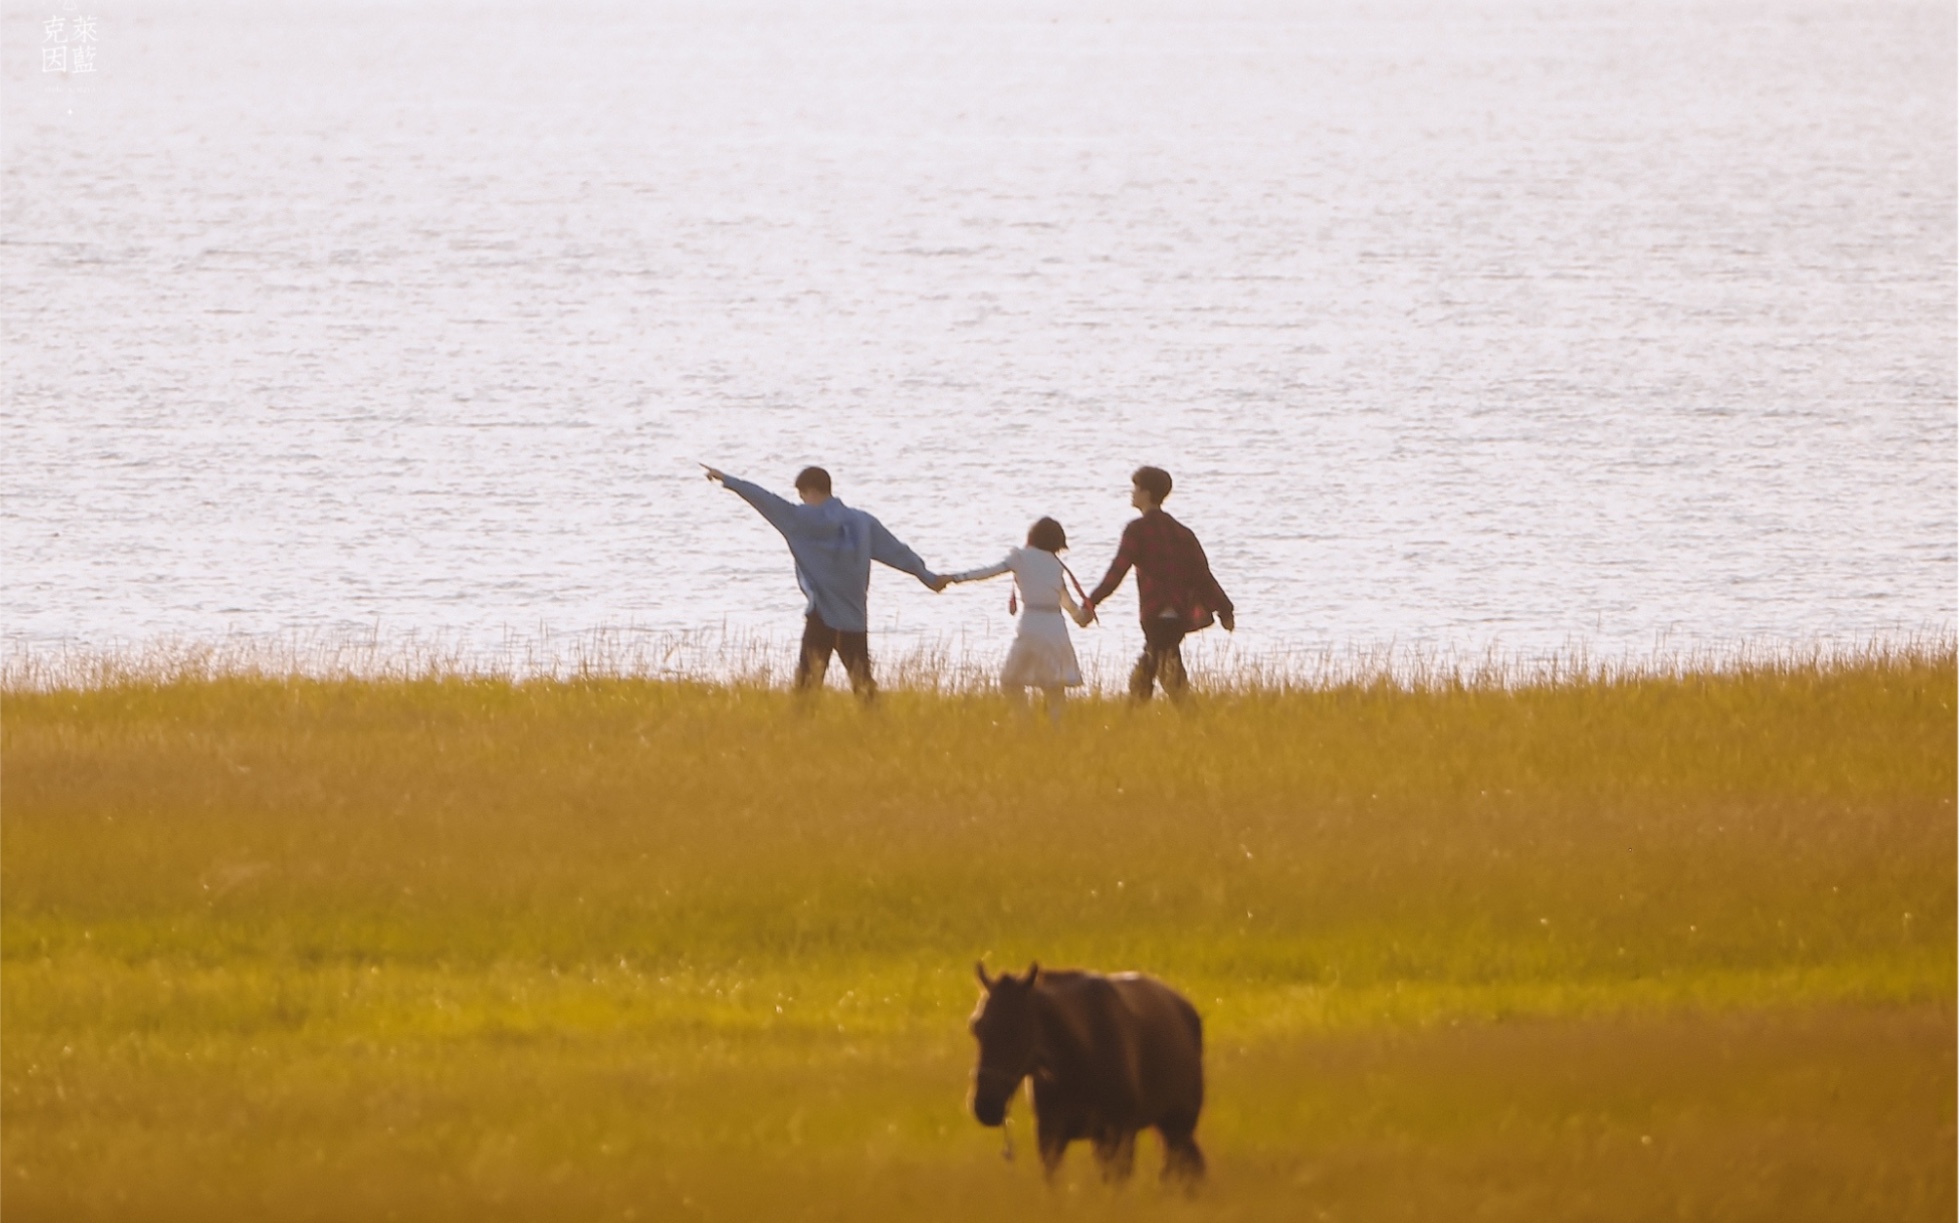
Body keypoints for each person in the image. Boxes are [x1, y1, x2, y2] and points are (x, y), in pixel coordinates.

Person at [703, 464, 946, 703]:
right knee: (864, 689)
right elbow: (899, 553)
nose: (801, 500)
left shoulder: (798, 519)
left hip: (822, 615)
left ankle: (801, 736)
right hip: (854, 616)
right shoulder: (862, 522)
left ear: (807, 491)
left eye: (801, 495)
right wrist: (928, 577)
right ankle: (880, 732)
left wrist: (729, 480)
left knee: (806, 691)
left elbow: (764, 499)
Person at [1080, 466, 1235, 704]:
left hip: (1155, 612)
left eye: (1136, 488)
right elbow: (1203, 576)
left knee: (1158, 674)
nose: (1132, 493)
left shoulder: (1137, 530)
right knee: (1163, 668)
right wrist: (1225, 610)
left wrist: (1091, 603)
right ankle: (1174, 722)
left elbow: (1116, 572)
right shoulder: (1183, 533)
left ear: (1146, 493)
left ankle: (1141, 723)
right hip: (1179, 615)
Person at [945, 517, 1093, 723]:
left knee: (1010, 680)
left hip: (1030, 625)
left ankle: (1025, 722)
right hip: (1056, 628)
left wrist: (955, 578)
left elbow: (988, 572)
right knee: (1055, 689)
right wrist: (1081, 618)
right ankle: (1059, 734)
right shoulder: (1056, 565)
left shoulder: (1020, 557)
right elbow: (1066, 600)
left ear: (1032, 536)